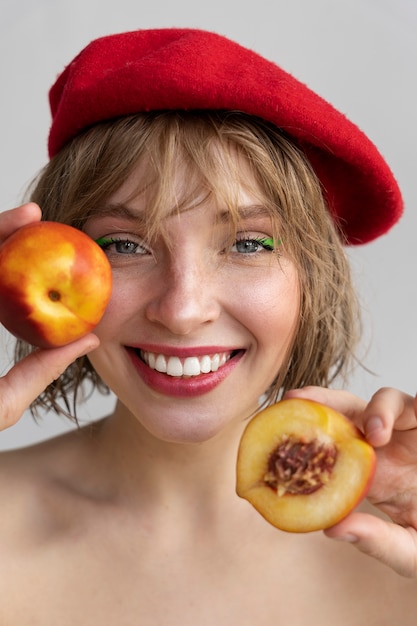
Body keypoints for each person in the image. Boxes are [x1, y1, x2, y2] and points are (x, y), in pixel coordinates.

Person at [0, 27, 416, 625]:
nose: (182, 307)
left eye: (247, 243)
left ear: (312, 277)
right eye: (124, 244)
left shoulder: (401, 553)